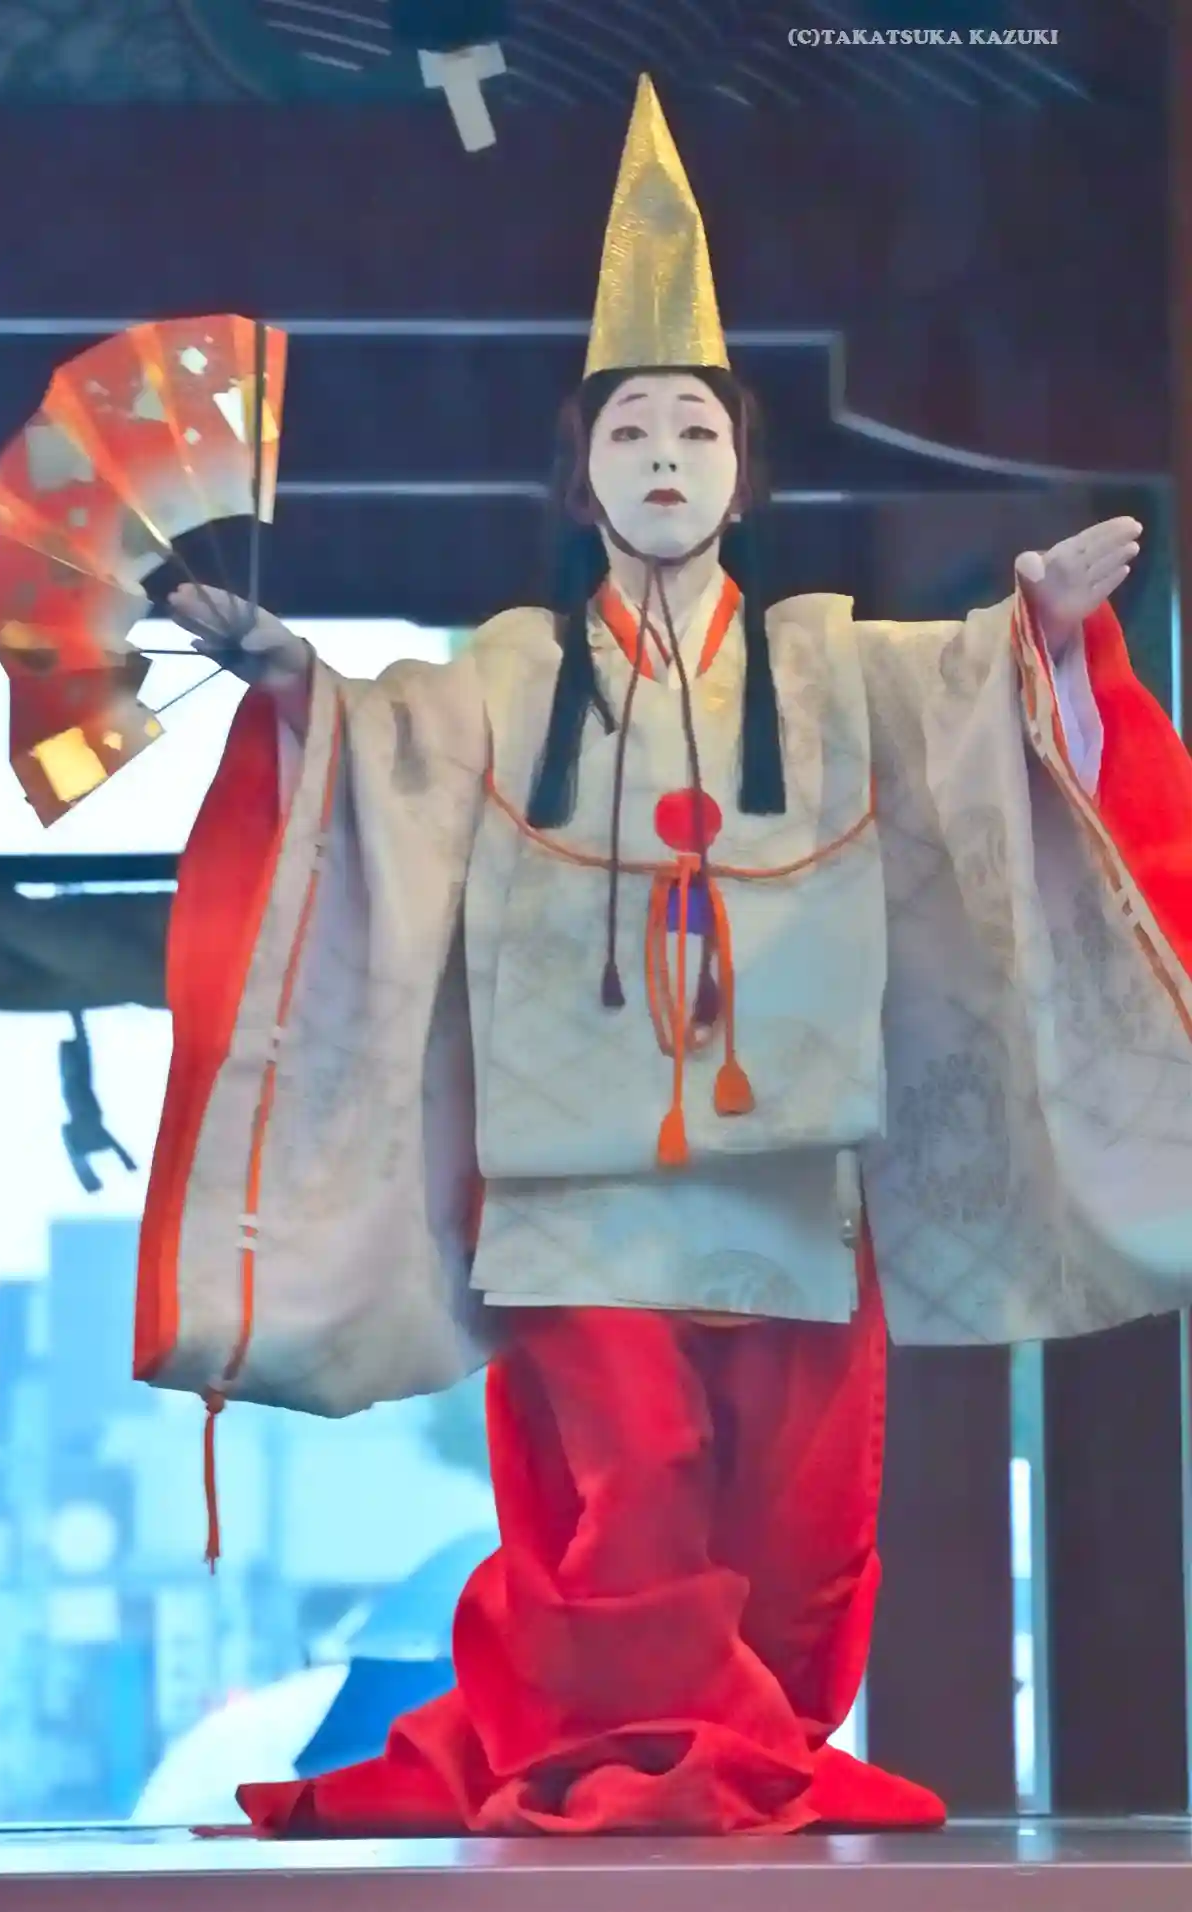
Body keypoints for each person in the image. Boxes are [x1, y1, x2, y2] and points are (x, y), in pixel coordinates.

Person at [136, 75, 1192, 1836]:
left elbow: (974, 710)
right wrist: (298, 678)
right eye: (630, 432)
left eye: (695, 432)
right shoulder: (508, 673)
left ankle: (727, 1752)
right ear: (583, 475)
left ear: (741, 474)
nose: (665, 459)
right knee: (633, 1479)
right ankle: (618, 1762)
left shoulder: (834, 659)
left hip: (790, 1166)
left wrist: (1045, 631)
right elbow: (386, 754)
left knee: (791, 1529)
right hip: (570, 1179)